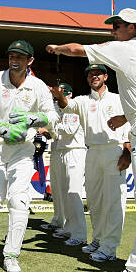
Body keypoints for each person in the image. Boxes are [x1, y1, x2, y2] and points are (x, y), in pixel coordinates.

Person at [47, 8, 136, 272]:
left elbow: (77, 49)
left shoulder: (127, 48)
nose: (112, 31)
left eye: (117, 25)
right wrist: (127, 118)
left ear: (132, 28)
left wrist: (57, 47)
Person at [0, 40, 58, 272]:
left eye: (20, 57)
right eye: (12, 55)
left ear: (29, 61)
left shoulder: (38, 86)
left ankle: (11, 255)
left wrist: (34, 120)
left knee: (19, 201)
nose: (14, 60)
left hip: (22, 149)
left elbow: (52, 115)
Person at [50, 65, 130, 263]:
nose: (93, 77)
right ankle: (98, 239)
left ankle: (109, 248)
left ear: (105, 76)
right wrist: (58, 96)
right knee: (94, 201)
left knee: (113, 201)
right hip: (92, 151)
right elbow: (66, 105)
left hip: (114, 149)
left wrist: (127, 151)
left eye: (97, 74)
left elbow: (130, 124)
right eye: (90, 74)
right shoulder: (83, 101)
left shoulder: (118, 99)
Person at [44, 83, 88, 246]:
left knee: (73, 192)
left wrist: (49, 127)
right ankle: (69, 227)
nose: (57, 100)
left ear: (67, 94)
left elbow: (69, 130)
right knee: (62, 191)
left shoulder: (73, 108)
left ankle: (80, 234)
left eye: (60, 95)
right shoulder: (60, 110)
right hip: (63, 150)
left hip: (74, 151)